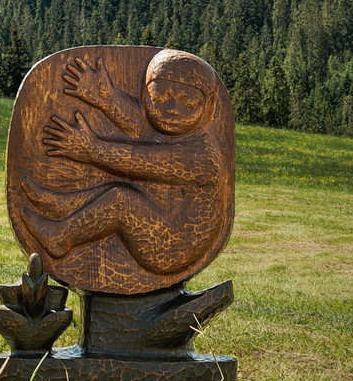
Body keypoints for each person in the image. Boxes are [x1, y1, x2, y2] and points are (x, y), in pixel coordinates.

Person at [16, 49, 222, 275]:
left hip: (171, 246)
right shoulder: (177, 134)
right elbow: (143, 129)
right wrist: (106, 97)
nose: (172, 110)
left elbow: (139, 161)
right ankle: (61, 205)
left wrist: (91, 149)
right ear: (145, 95)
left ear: (207, 107)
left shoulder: (203, 157)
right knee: (119, 189)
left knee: (122, 200)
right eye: (159, 98)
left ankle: (61, 236)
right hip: (163, 222)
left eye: (189, 104)